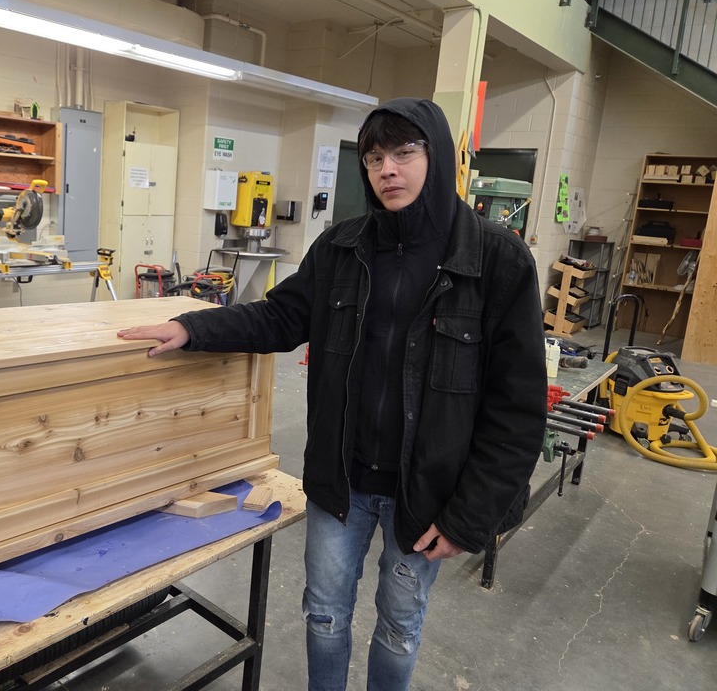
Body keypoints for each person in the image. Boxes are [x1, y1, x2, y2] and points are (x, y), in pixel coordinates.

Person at [117, 97, 546, 690]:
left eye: (404, 153)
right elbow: (279, 318)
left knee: (398, 626)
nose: (387, 170)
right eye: (374, 158)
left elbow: (517, 410)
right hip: (342, 481)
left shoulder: (496, 260)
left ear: (438, 156)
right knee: (323, 613)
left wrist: (470, 516)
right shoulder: (342, 247)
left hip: (424, 494)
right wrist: (195, 326)